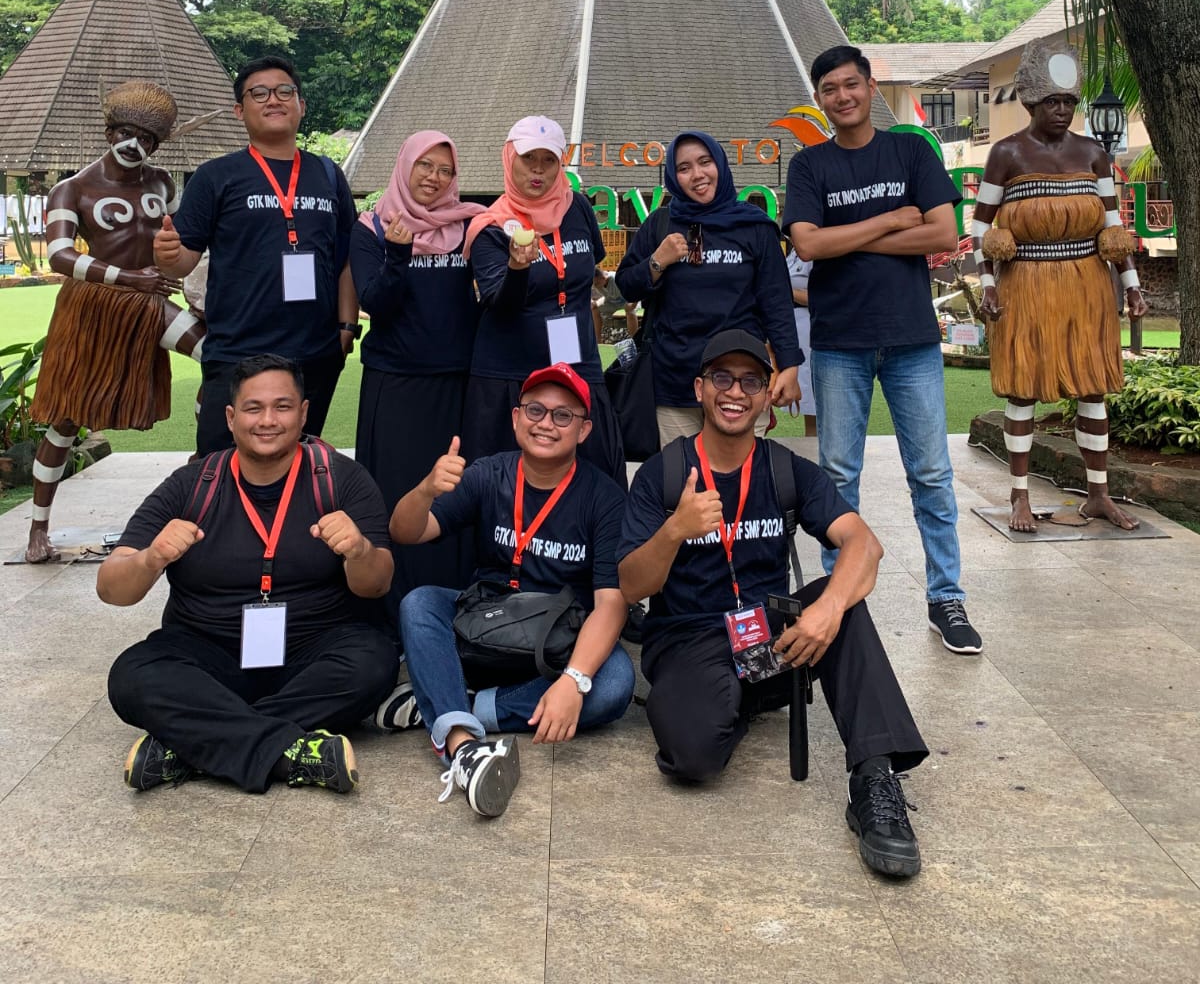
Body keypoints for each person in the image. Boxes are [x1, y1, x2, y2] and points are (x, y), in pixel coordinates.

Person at [618, 329, 928, 878]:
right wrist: (675, 530)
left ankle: (875, 781)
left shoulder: (785, 469)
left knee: (846, 600)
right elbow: (630, 586)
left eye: (750, 381)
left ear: (766, 397)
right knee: (691, 757)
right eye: (721, 378)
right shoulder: (663, 474)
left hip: (765, 629)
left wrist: (827, 609)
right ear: (699, 389)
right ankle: (740, 699)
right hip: (689, 636)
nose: (734, 392)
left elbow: (865, 545)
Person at [99, 354, 397, 794]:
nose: (268, 420)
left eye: (282, 406)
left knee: (374, 661)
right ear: (231, 416)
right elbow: (112, 588)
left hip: (309, 651)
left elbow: (378, 584)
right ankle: (286, 750)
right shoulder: (191, 485)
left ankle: (192, 744)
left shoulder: (341, 481)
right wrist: (151, 558)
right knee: (131, 674)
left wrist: (359, 550)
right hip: (208, 650)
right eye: (254, 408)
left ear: (304, 413)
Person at [783, 46, 982, 654]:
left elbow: (944, 233)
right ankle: (837, 599)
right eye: (830, 90)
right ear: (820, 99)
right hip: (840, 342)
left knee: (931, 473)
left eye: (851, 85)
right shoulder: (809, 165)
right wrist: (892, 221)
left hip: (910, 340)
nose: (842, 97)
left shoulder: (911, 150)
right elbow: (808, 247)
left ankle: (945, 596)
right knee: (839, 476)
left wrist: (848, 239)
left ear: (871, 88)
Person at [390, 363, 634, 818]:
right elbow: (406, 532)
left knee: (614, 682)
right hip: (489, 623)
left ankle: (451, 708)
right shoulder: (489, 474)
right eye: (536, 410)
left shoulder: (604, 498)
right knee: (420, 603)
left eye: (563, 416)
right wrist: (425, 490)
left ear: (584, 431)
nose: (546, 423)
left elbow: (611, 604)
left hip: (557, 642)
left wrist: (573, 682)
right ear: (516, 418)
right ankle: (464, 747)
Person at [26, 80, 206, 562]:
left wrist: (190, 280)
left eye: (146, 139)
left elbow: (182, 240)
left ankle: (204, 470)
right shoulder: (73, 189)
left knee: (218, 355)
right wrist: (129, 277)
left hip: (149, 300)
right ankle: (38, 528)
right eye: (126, 132)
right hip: (95, 307)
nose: (135, 145)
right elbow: (61, 256)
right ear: (109, 132)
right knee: (67, 417)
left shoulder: (162, 183)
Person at [971, 43, 1146, 531]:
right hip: (1024, 286)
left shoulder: (1093, 154)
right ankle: (1019, 496)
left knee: (1093, 391)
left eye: (1069, 101)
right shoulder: (1006, 154)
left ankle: (1098, 495)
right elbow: (979, 226)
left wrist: (1130, 286)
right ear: (1031, 102)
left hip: (1087, 286)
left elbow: (1113, 230)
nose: (1063, 111)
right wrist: (988, 283)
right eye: (1052, 102)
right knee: (1023, 390)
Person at [153, 56, 358, 453]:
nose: (274, 100)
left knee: (300, 461)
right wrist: (167, 255)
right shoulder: (216, 176)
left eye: (285, 91)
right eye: (258, 93)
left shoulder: (328, 174)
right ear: (239, 110)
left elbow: (346, 259)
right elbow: (183, 260)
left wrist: (346, 331)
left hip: (314, 352)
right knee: (218, 466)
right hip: (238, 351)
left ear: (301, 105)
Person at [351, 129, 483, 598]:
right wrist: (399, 254)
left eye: (445, 170)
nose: (434, 177)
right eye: (425, 165)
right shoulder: (371, 228)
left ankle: (452, 601)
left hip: (456, 384)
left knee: (452, 495)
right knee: (393, 494)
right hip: (397, 385)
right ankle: (390, 607)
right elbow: (376, 302)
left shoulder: (470, 226)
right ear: (406, 165)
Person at [462, 116, 623, 483]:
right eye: (528, 158)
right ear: (509, 159)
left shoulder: (578, 208)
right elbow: (497, 303)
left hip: (577, 367)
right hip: (509, 378)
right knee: (503, 490)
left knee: (593, 486)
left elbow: (586, 276)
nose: (538, 169)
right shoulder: (491, 226)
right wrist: (517, 270)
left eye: (548, 159)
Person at [616, 130, 801, 446]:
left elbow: (777, 303)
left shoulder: (754, 226)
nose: (697, 174)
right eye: (684, 168)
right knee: (680, 483)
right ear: (674, 177)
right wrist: (657, 262)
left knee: (741, 483)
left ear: (720, 164)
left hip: (740, 380)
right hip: (674, 379)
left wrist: (789, 366)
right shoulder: (661, 224)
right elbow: (626, 286)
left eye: (705, 162)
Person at [785, 245, 818, 436]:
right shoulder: (795, 251)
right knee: (809, 408)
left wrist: (785, 292)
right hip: (797, 332)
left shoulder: (817, 250)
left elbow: (824, 296)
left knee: (818, 406)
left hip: (813, 330)